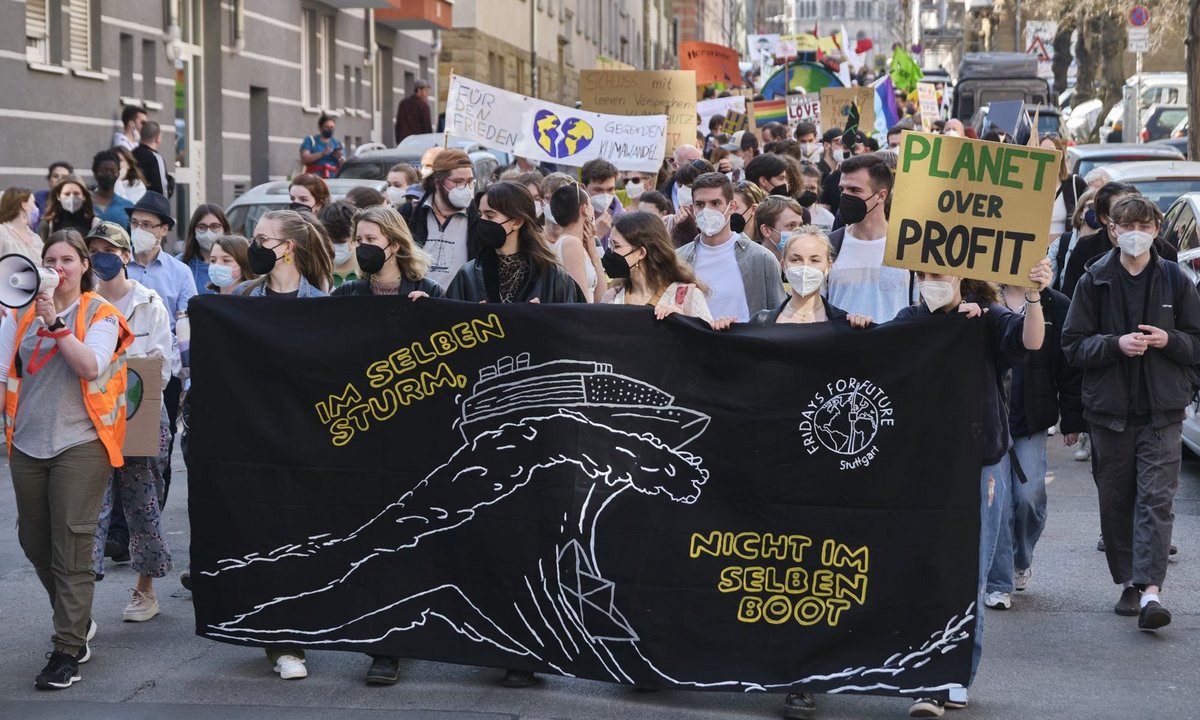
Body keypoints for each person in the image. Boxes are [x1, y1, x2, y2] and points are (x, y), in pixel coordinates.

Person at [902, 258, 1053, 717]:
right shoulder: (909, 321)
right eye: (922, 276)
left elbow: (1031, 341)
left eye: (938, 276)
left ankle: (952, 677)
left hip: (978, 465)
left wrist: (1032, 296)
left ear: (960, 277)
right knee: (924, 569)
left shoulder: (986, 316)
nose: (930, 284)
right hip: (923, 467)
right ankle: (924, 675)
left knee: (968, 573)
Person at [1, 229, 134, 690]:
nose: (58, 267)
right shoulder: (18, 314)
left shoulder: (102, 314)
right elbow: (3, 374)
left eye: (67, 260)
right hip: (27, 444)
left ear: (84, 267)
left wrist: (55, 322)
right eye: (50, 260)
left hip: (82, 444)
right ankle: (76, 620)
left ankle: (67, 649)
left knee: (72, 548)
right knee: (36, 543)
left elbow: (90, 366)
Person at [1061, 195, 1200, 633]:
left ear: (1156, 230)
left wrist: (1170, 340)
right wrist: (1113, 344)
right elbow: (1072, 344)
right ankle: (1129, 581)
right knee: (1117, 500)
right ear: (1113, 230)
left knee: (1157, 501)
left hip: (1162, 411)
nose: (1136, 232)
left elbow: (1197, 342)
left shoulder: (1177, 281)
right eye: (1127, 225)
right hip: (1110, 413)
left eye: (1144, 224)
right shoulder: (1093, 280)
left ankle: (1151, 590)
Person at [84, 222, 175, 619]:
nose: (101, 257)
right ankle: (80, 603)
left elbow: (162, 365)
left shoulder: (148, 301)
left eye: (109, 250)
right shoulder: (84, 304)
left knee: (143, 505)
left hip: (140, 416)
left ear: (124, 255)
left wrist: (118, 372)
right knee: (90, 509)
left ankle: (145, 591)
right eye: (95, 250)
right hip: (91, 420)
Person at [984, 280, 1083, 610]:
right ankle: (998, 582)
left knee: (1028, 498)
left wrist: (1072, 420)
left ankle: (1020, 558)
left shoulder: (1056, 304)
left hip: (1032, 418)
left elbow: (1068, 366)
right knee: (998, 504)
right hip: (992, 418)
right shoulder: (980, 296)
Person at [124, 192, 197, 506]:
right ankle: (117, 527)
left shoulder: (179, 273)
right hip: (120, 363)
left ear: (164, 230)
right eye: (135, 223)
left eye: (147, 224)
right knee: (118, 446)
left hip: (161, 368)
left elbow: (187, 324)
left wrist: (188, 376)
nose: (139, 229)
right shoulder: (119, 265)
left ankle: (153, 506)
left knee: (156, 446)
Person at [675, 172, 786, 322]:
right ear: (692, 208)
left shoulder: (761, 258)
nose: (707, 211)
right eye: (700, 204)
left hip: (744, 343)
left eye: (715, 203)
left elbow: (778, 315)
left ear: (732, 206)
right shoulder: (679, 259)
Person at [446, 182, 579, 305]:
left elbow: (570, 324)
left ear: (517, 222)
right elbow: (446, 321)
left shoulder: (553, 277)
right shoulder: (468, 275)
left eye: (490, 215)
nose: (482, 221)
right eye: (480, 214)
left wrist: (541, 318)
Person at [825, 154, 909, 321]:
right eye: (842, 190)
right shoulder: (829, 246)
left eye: (855, 190)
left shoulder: (907, 245)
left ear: (881, 195)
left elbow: (923, 310)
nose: (846, 196)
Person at [1060, 183, 1175, 302]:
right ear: (1106, 219)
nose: (1129, 213)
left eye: (1135, 207)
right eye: (1119, 210)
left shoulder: (1164, 251)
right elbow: (1070, 299)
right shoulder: (1086, 249)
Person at [601, 210, 715, 325]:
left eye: (615, 245)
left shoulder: (687, 296)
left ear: (641, 253)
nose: (610, 252)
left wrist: (683, 323)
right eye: (609, 244)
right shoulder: (612, 297)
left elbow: (708, 340)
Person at [332, 205, 443, 301]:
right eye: (359, 240)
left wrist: (427, 307)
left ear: (394, 245)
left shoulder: (429, 290)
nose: (363, 246)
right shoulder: (347, 292)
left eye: (370, 239)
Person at [404, 149, 480, 289]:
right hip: (419, 302)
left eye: (469, 181)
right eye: (458, 181)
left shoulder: (479, 219)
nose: (465, 187)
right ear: (438, 183)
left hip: (460, 305)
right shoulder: (410, 213)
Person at [236, 209, 332, 298]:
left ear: (288, 246)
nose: (254, 246)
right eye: (254, 239)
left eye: (262, 239)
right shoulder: (243, 292)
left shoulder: (317, 300)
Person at [546, 184, 603, 302]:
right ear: (585, 209)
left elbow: (601, 296)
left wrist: (593, 253)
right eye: (590, 204)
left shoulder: (579, 243)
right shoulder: (571, 243)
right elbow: (580, 299)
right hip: (581, 318)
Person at [1048, 187, 1099, 293]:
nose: (1097, 212)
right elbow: (1047, 284)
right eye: (1092, 206)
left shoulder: (1108, 246)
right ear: (1081, 212)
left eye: (1101, 209)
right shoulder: (1062, 244)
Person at [178, 204, 232, 297]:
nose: (208, 233)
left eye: (214, 227)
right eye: (202, 227)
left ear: (225, 229)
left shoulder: (237, 264)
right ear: (194, 231)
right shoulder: (180, 264)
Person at [1042, 136, 1087, 237]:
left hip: (1065, 251)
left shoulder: (1075, 184)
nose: (1046, 154)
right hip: (1036, 250)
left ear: (1061, 155)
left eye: (1051, 150)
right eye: (1041, 151)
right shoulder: (1029, 188)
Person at [665, 159, 714, 248]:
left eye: (690, 186)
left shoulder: (717, 223)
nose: (682, 191)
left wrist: (688, 228)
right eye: (680, 186)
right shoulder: (668, 222)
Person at [580, 159, 623, 250]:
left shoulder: (624, 220)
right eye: (598, 190)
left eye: (610, 189)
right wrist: (596, 235)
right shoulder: (573, 219)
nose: (605, 195)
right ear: (583, 188)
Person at [38, 177, 97, 241]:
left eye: (76, 194)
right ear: (58, 196)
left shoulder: (94, 223)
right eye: (67, 194)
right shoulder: (48, 224)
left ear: (84, 196)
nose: (71, 197)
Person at [318, 201, 361, 288]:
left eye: (342, 242)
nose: (334, 248)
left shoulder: (368, 275)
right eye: (331, 242)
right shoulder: (316, 277)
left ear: (356, 237)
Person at [750, 195, 807, 262]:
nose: (798, 232)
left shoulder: (804, 265)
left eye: (800, 225)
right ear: (766, 230)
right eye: (791, 226)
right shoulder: (748, 265)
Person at [89, 151, 134, 232]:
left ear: (118, 173)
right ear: (95, 173)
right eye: (104, 171)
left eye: (112, 171)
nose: (108, 174)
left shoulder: (128, 206)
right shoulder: (84, 202)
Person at [0, 186, 45, 262]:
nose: (36, 208)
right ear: (24, 205)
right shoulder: (2, 232)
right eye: (33, 203)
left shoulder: (35, 238)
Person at [299, 114, 344, 179]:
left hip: (333, 179)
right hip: (314, 179)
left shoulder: (338, 144)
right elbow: (304, 159)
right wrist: (322, 153)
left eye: (332, 127)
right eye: (326, 127)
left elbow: (344, 166)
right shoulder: (311, 140)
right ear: (320, 128)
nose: (329, 129)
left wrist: (339, 158)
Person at [132, 121, 170, 197]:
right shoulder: (156, 158)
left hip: (131, 205)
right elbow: (162, 189)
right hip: (150, 206)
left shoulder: (130, 154)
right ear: (157, 139)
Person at [394, 79, 434, 144]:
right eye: (426, 90)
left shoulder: (403, 103)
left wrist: (398, 142)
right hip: (420, 143)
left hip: (404, 142)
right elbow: (427, 126)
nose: (428, 93)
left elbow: (398, 125)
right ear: (419, 90)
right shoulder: (423, 105)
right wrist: (430, 142)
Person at [799, 163, 835, 230]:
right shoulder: (786, 215)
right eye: (804, 188)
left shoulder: (828, 218)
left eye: (812, 188)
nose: (808, 191)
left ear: (818, 190)